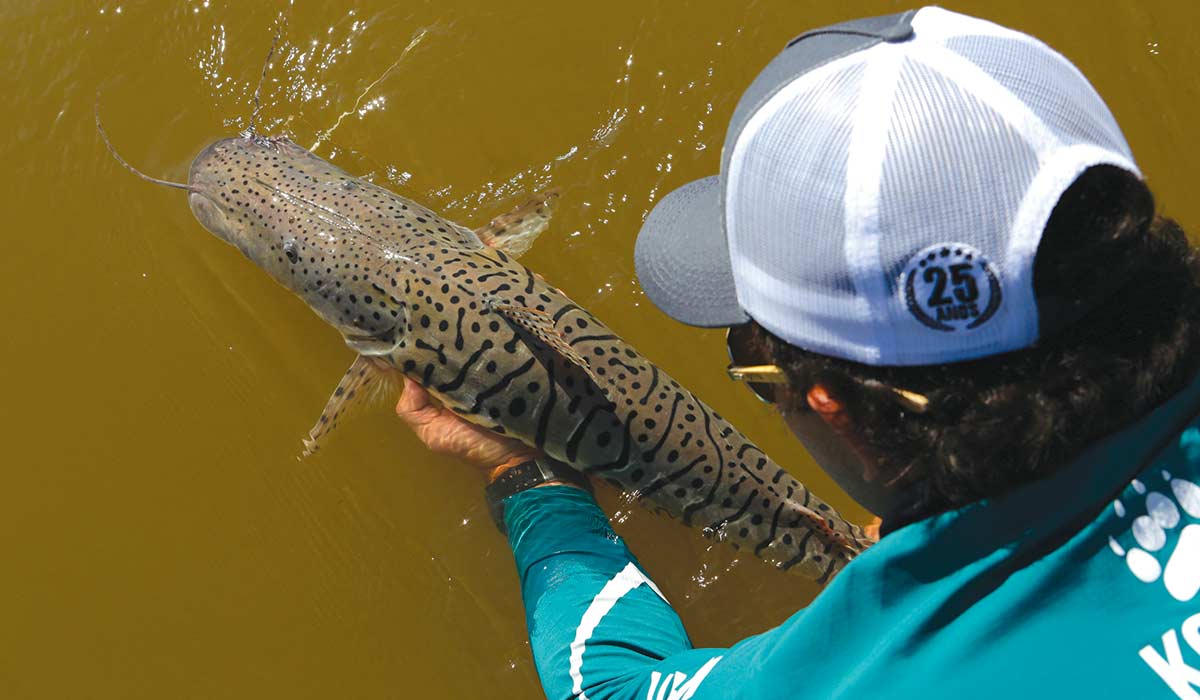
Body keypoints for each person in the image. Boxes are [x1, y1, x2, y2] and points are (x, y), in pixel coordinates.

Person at [397, 7, 1200, 699]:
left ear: (836, 406)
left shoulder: (884, 670)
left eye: (756, 371)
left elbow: (609, 685)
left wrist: (526, 474)